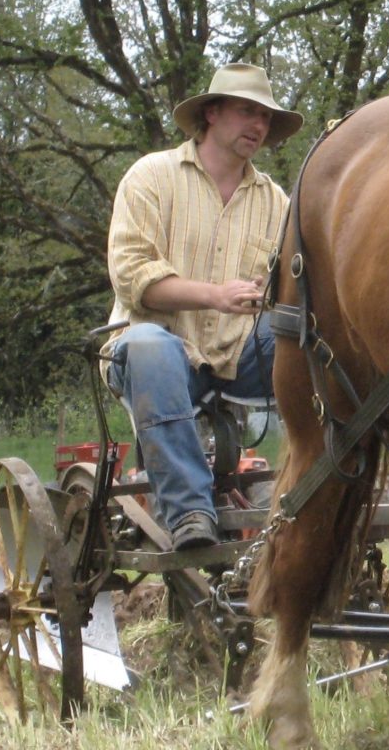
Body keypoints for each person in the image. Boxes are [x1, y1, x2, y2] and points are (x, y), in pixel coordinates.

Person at [104, 63, 303, 551]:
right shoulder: (151, 176)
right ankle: (191, 511)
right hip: (157, 351)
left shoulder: (275, 201)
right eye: (246, 111)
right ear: (211, 113)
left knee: (316, 333)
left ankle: (324, 488)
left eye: (265, 117)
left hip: (240, 356)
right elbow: (133, 276)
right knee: (150, 345)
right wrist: (216, 295)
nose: (257, 125)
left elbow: (286, 287)